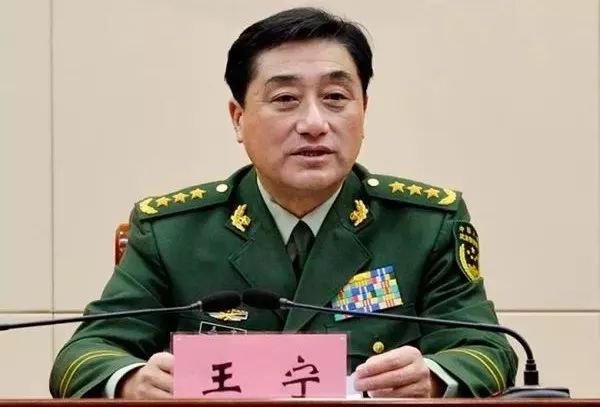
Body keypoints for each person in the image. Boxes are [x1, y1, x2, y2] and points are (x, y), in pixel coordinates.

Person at [49, 7, 517, 399]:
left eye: (335, 97)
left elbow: (487, 349)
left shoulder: (424, 224)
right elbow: (84, 355)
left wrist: (434, 377)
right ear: (238, 118)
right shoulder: (172, 232)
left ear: (364, 111)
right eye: (286, 98)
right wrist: (130, 380)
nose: (314, 123)